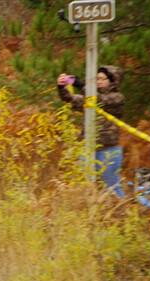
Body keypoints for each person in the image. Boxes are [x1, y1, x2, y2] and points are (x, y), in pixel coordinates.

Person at [57, 66, 125, 196]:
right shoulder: (89, 99)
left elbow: (99, 100)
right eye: (97, 79)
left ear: (112, 81)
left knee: (112, 186)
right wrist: (61, 87)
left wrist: (81, 84)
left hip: (108, 150)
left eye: (102, 79)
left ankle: (122, 212)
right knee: (84, 184)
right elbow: (71, 99)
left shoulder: (117, 98)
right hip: (88, 148)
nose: (98, 81)